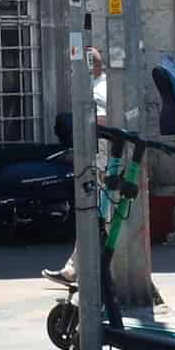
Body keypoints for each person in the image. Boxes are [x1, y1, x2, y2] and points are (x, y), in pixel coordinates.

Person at [43, 48, 108, 286]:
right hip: (101, 164)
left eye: (74, 69)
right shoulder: (101, 87)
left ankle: (83, 272)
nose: (71, 74)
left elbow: (102, 121)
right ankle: (74, 270)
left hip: (103, 165)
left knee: (98, 218)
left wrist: (82, 123)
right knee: (94, 219)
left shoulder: (98, 91)